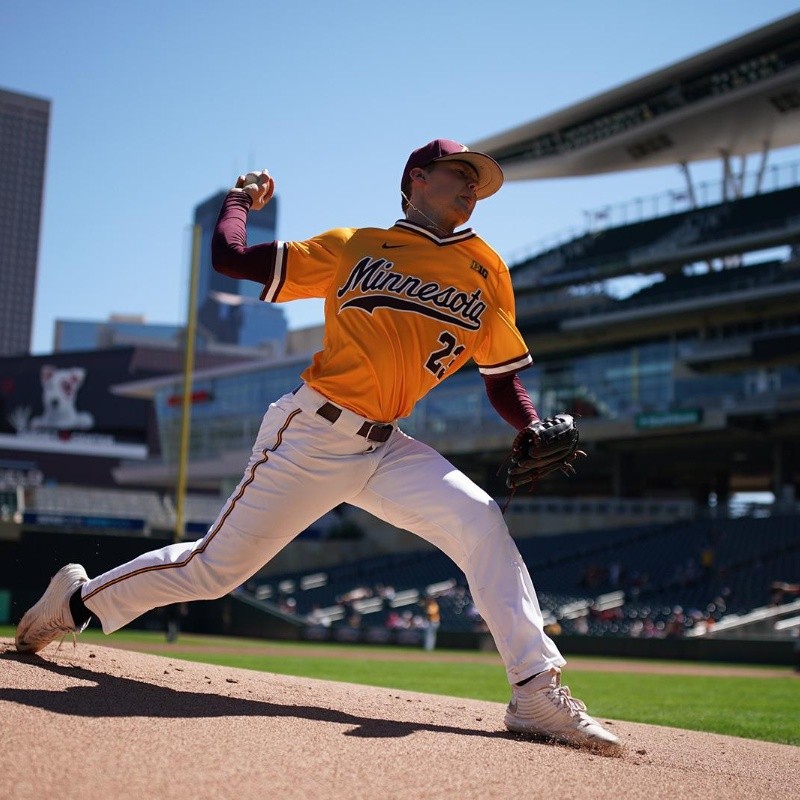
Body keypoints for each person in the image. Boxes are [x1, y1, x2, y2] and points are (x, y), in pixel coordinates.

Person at [15, 139, 620, 751]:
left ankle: (535, 692)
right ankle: (75, 600)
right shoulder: (353, 247)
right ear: (416, 177)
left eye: (479, 182)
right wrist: (237, 200)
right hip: (311, 434)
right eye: (459, 174)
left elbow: (502, 379)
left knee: (482, 522)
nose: (472, 188)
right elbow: (233, 258)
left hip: (387, 448)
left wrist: (531, 424)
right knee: (211, 572)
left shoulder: (487, 269)